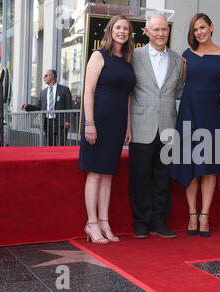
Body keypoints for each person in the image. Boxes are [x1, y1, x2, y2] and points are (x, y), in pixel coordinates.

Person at [170, 13, 220, 238]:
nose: (200, 32)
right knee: (190, 163)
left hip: (211, 115)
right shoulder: (186, 55)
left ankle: (205, 214)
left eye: (203, 27)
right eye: (195, 29)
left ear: (211, 27)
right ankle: (192, 214)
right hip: (188, 113)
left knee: (208, 166)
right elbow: (181, 85)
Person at [78, 15, 136, 244]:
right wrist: (89, 124)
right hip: (99, 120)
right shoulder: (98, 56)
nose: (122, 31)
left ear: (130, 34)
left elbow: (128, 97)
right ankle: (91, 223)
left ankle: (104, 221)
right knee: (95, 172)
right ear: (111, 30)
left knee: (108, 173)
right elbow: (88, 91)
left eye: (126, 29)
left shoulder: (127, 60)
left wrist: (128, 125)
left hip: (118, 122)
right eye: (118, 27)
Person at [129, 13, 184, 239]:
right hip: (141, 124)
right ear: (147, 32)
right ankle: (140, 223)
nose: (161, 33)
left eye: (164, 29)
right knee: (140, 177)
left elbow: (180, 92)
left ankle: (159, 221)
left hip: (168, 126)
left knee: (163, 177)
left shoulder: (178, 60)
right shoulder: (134, 56)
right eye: (156, 29)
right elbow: (128, 91)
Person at [21, 69, 73, 146]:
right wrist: (27, 106)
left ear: (52, 76)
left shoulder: (64, 90)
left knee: (62, 144)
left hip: (61, 122)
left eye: (46, 76)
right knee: (50, 144)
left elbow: (69, 106)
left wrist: (68, 120)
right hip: (48, 122)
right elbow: (39, 107)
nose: (44, 78)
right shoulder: (43, 93)